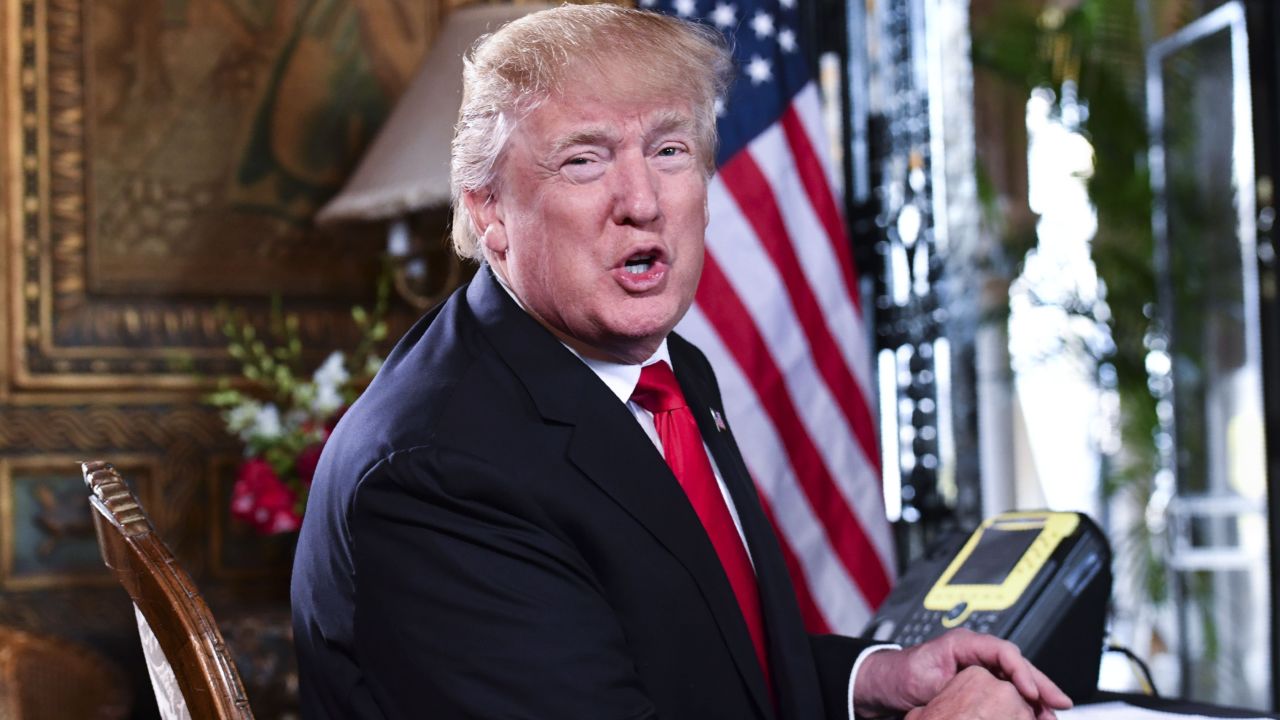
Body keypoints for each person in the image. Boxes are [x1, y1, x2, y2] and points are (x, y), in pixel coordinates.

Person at [290, 5, 1074, 719]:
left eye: (669, 149)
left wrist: (869, 678)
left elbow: (696, 658)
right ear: (487, 210)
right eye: (584, 161)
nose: (642, 199)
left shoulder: (666, 371)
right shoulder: (437, 472)